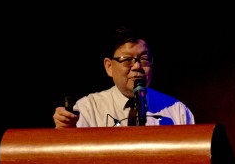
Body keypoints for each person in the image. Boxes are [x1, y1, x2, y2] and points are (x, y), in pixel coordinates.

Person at [53, 25, 195, 128]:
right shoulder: (89, 108)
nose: (137, 66)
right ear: (109, 67)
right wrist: (65, 131)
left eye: (144, 59)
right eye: (127, 60)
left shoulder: (177, 111)